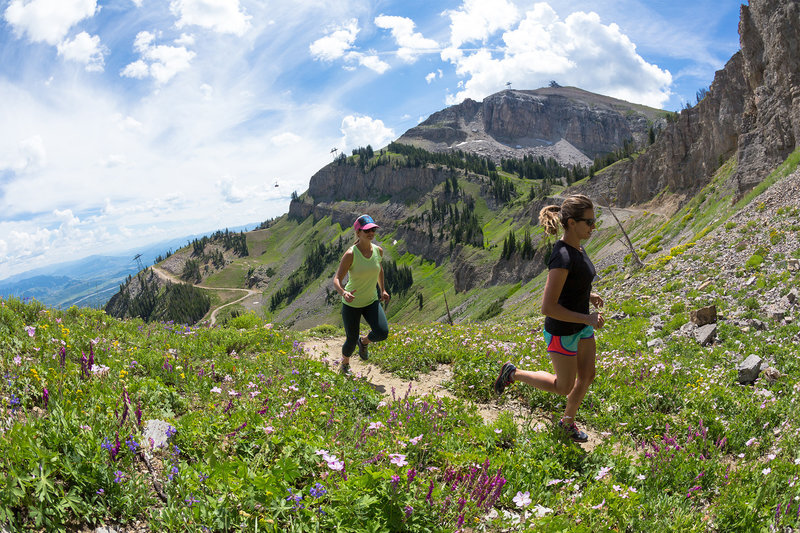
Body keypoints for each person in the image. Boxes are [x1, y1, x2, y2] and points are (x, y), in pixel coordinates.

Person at [494, 194, 604, 442]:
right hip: (563, 330)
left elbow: (572, 285)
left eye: (594, 220)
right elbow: (548, 307)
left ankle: (567, 424)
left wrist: (589, 296)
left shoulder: (578, 247)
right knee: (562, 386)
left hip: (581, 324)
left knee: (587, 376)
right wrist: (587, 319)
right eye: (589, 222)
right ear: (572, 223)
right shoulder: (562, 256)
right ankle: (512, 373)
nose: (593, 226)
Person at [332, 214, 391, 375]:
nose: (371, 233)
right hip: (352, 303)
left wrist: (383, 289)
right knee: (350, 340)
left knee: (382, 332)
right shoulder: (351, 254)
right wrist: (343, 292)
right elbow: (337, 278)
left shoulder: (378, 251)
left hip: (371, 300)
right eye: (367, 230)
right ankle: (344, 364)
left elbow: (379, 269)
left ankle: (363, 342)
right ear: (358, 233)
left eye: (373, 229)